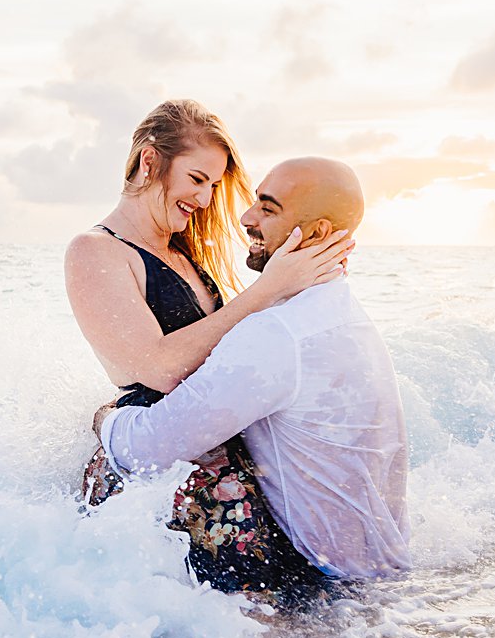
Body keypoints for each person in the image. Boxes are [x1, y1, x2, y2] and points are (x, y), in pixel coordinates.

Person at [65, 100, 353, 598]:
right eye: (197, 178)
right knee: (239, 620)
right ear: (149, 162)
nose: (205, 198)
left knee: (302, 607)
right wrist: (268, 291)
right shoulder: (95, 251)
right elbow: (157, 367)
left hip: (214, 439)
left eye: (214, 185)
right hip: (158, 456)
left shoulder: (183, 250)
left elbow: (238, 344)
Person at [97, 157, 411, 589]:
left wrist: (103, 419)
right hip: (381, 569)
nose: (247, 218)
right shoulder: (342, 313)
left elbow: (147, 448)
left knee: (107, 461)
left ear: (317, 234)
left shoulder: (278, 333)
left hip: (327, 586)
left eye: (268, 207)